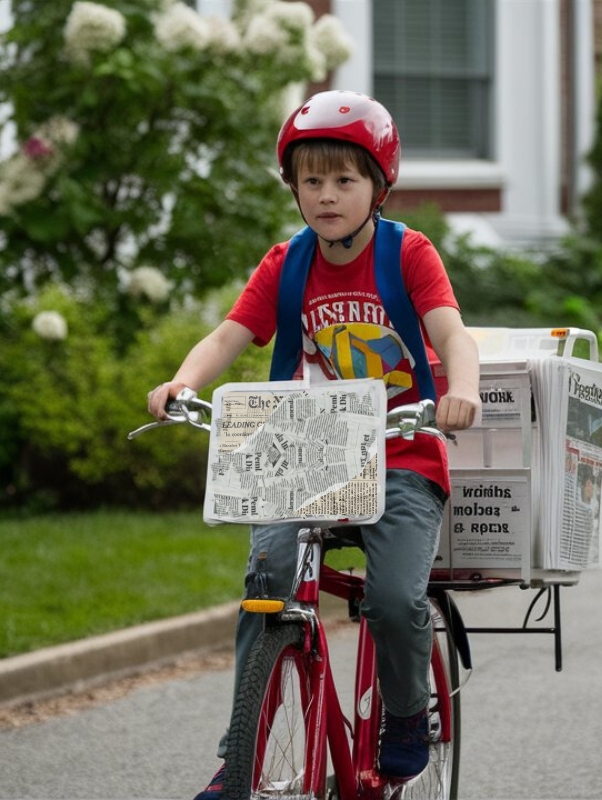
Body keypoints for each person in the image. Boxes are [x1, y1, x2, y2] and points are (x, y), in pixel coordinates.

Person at [145, 90, 481, 800]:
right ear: (294, 188)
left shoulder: (408, 254)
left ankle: (404, 715)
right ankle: (239, 751)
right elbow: (227, 336)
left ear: (378, 186)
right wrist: (181, 382)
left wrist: (464, 387)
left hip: (401, 451)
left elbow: (451, 333)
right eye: (312, 181)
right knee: (267, 585)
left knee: (392, 600)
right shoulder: (287, 263)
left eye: (344, 180)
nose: (327, 196)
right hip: (311, 454)